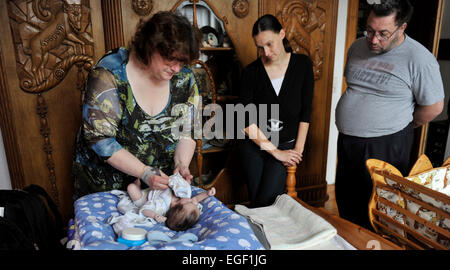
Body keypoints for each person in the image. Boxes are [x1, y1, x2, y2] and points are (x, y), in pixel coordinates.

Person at [335, 0, 445, 230]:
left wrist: (402, 124)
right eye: (370, 31)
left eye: (383, 34)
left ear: (402, 27)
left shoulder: (419, 59)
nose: (374, 40)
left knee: (378, 208)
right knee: (346, 200)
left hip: (387, 143)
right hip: (348, 141)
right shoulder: (357, 47)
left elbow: (434, 107)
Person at [72, 11, 200, 199]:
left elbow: (187, 131)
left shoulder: (184, 78)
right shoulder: (110, 73)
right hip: (107, 186)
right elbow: (100, 139)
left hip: (158, 188)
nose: (177, 68)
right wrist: (144, 172)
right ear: (150, 47)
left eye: (182, 61)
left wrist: (181, 164)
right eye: (171, 59)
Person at [238, 14, 314, 207]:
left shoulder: (303, 65)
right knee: (257, 203)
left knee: (267, 202)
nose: (266, 52)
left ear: (282, 34)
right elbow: (245, 121)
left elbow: (306, 111)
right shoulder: (250, 73)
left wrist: (297, 151)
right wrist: (275, 152)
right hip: (255, 145)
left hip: (286, 145)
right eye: (260, 47)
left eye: (269, 44)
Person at [125, 173, 216, 231]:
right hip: (155, 189)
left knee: (131, 188)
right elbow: (195, 199)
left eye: (190, 203)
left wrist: (154, 215)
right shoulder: (184, 196)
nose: (193, 201)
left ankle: (137, 186)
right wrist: (207, 194)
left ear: (175, 205)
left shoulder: (161, 207)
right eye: (194, 204)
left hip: (145, 198)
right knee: (157, 174)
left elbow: (144, 209)